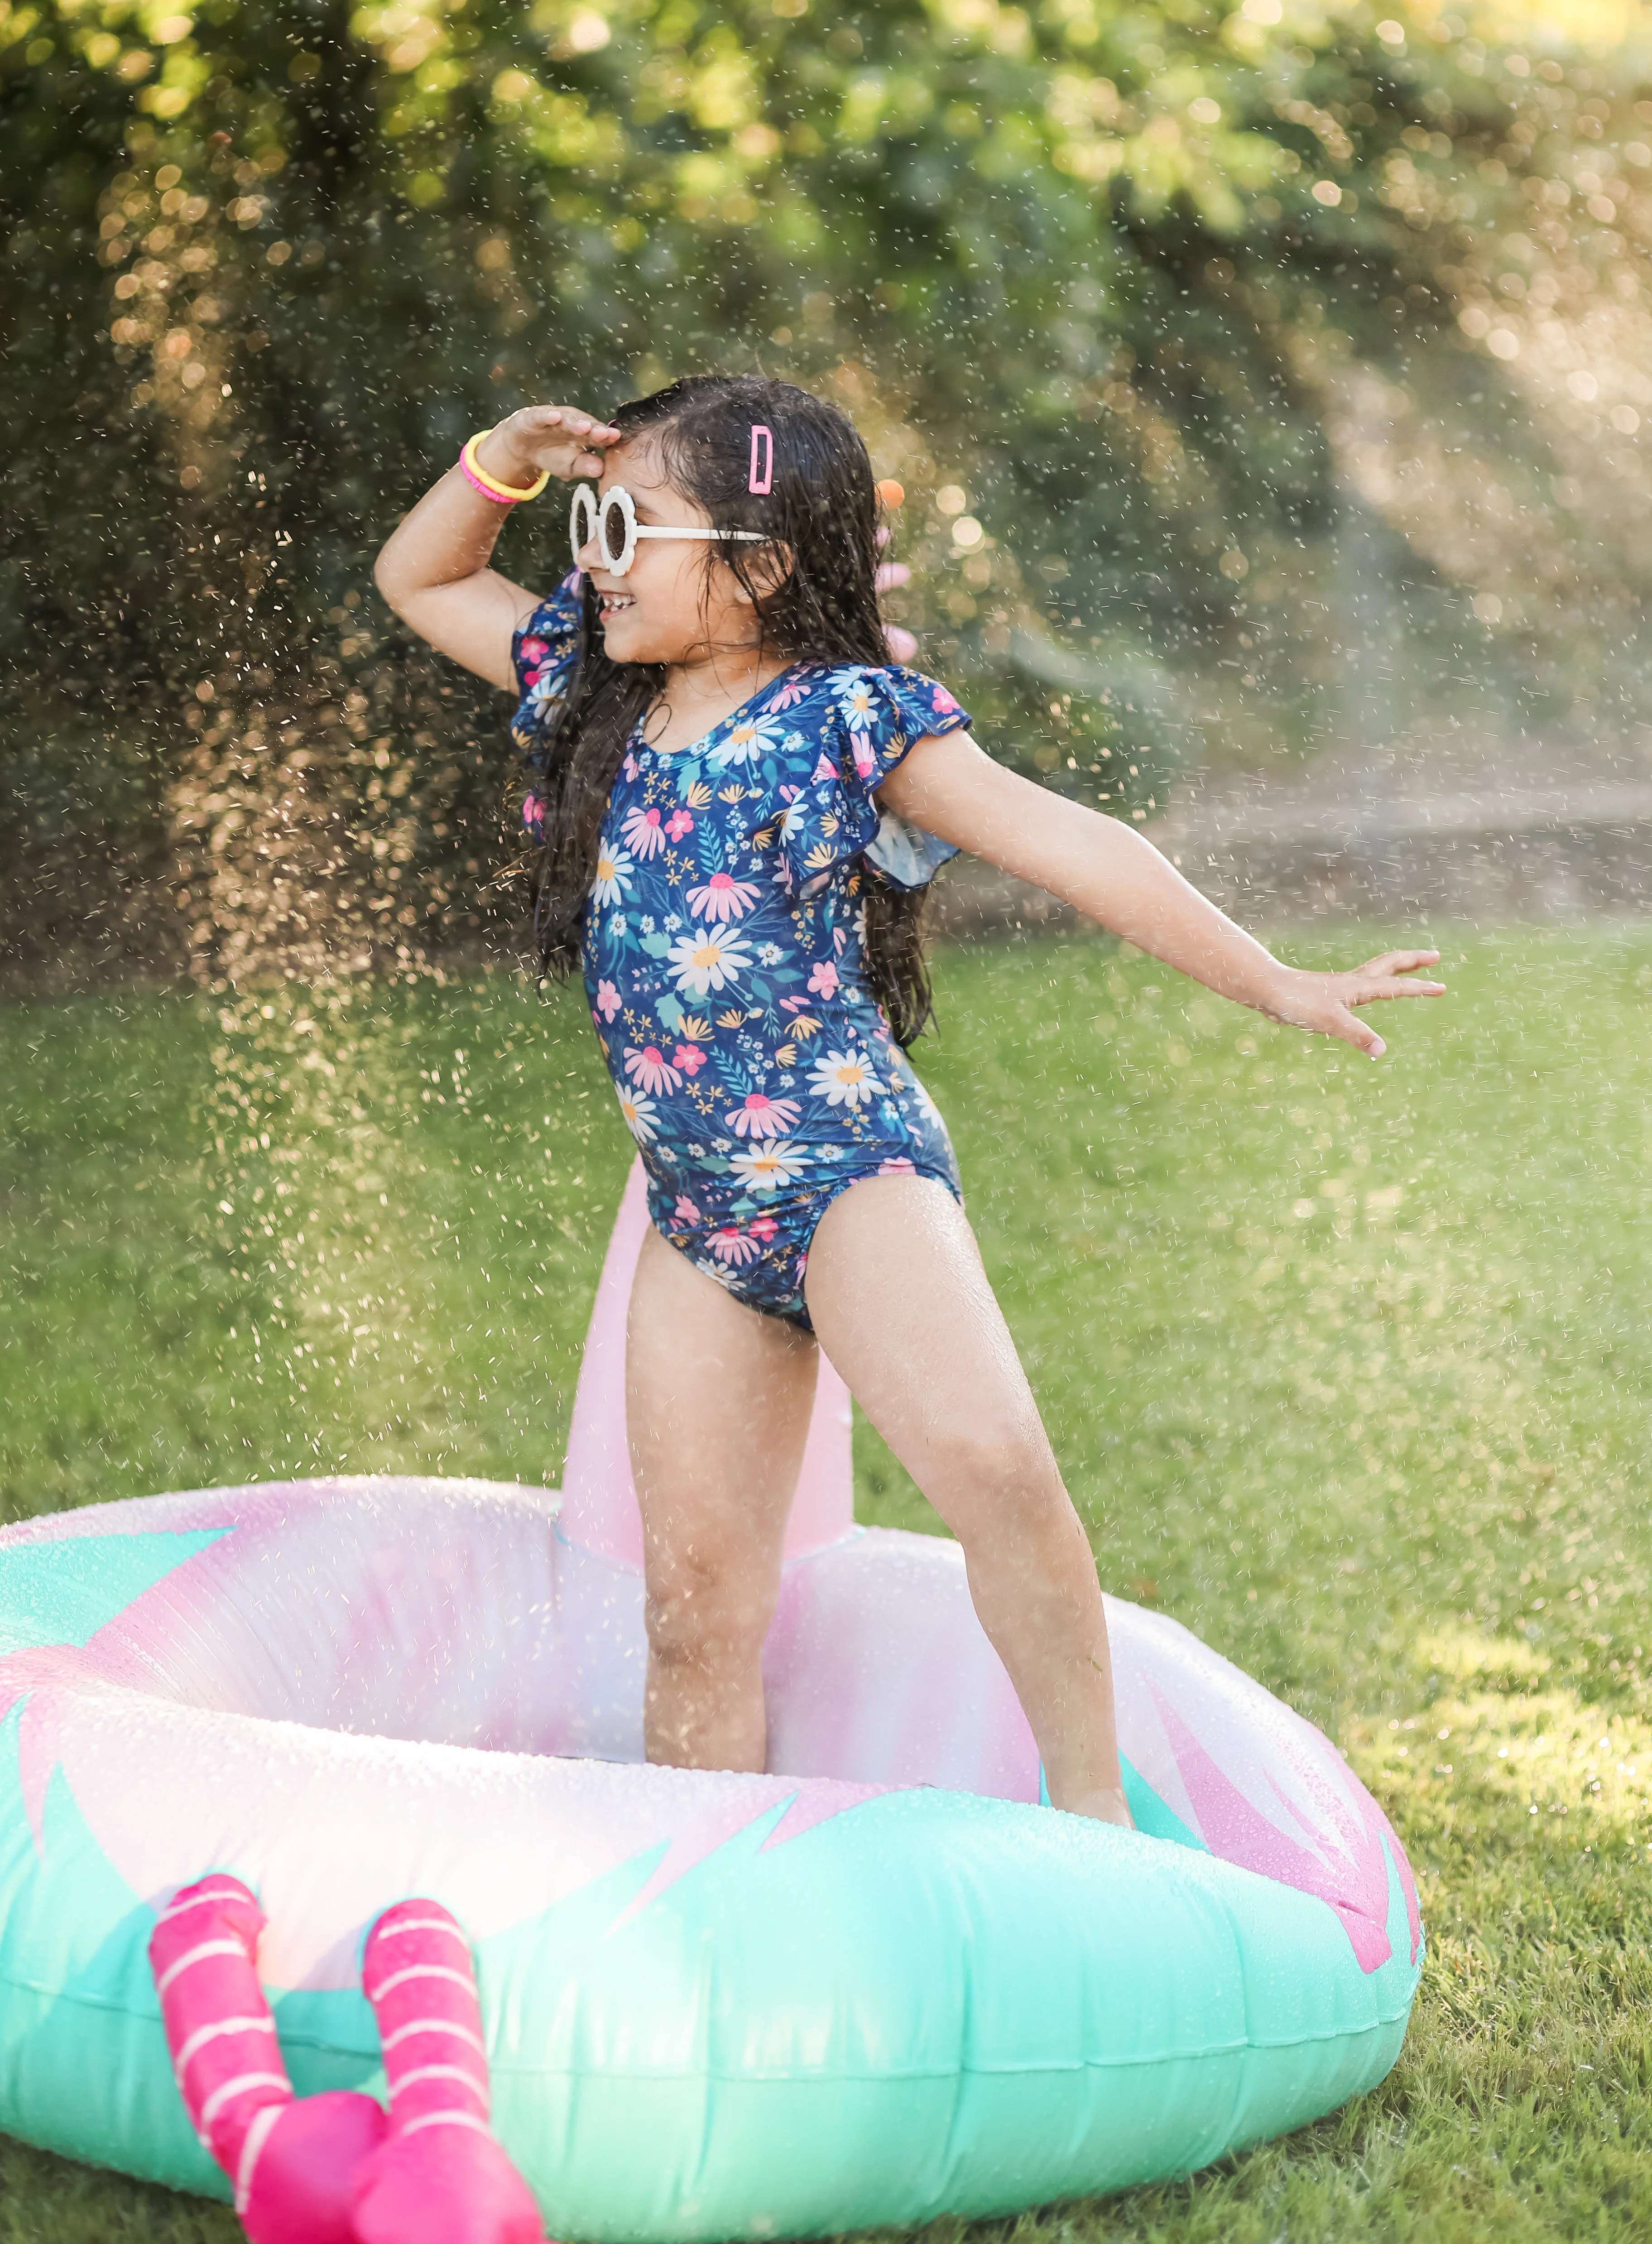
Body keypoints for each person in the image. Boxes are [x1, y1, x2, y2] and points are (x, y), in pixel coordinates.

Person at [375, 373, 1444, 1828]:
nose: (596, 554)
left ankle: (1092, 1813)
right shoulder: (594, 686)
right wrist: (500, 460)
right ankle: (711, 1883)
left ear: (757, 566)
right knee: (694, 1612)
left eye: (631, 524)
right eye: (588, 521)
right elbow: (419, 574)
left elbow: (1076, 844)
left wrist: (1278, 981)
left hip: (842, 1171)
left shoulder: (848, 716)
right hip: (701, 1218)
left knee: (997, 1473)